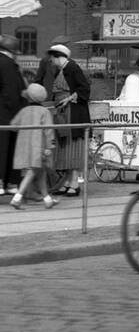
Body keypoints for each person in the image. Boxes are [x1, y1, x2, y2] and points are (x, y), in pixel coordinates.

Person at [47, 44, 90, 196]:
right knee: (65, 148)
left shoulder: (72, 68)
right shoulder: (62, 70)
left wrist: (69, 99)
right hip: (63, 114)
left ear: (59, 57)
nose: (51, 61)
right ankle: (67, 182)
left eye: (52, 58)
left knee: (72, 148)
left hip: (73, 113)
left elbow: (84, 88)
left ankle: (73, 183)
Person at [9, 83, 58, 210]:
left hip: (23, 147)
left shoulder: (23, 111)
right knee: (33, 172)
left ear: (28, 98)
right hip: (39, 147)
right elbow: (49, 131)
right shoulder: (44, 112)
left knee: (40, 173)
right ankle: (17, 198)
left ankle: (47, 200)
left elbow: (13, 125)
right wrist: (50, 146)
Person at [0, 35, 25, 196]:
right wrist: (18, 113)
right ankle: (6, 182)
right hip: (7, 114)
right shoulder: (8, 64)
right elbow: (11, 92)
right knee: (5, 149)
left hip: (4, 113)